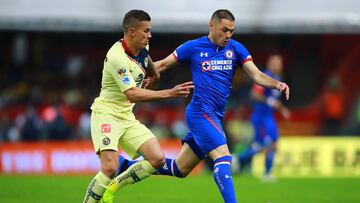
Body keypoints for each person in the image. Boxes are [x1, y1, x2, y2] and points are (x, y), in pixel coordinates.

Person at [106, 9, 289, 203]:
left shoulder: (235, 49)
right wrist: (135, 78)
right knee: (223, 158)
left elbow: (257, 74)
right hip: (200, 114)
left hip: (215, 116)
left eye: (231, 31)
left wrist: (276, 84)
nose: (228, 35)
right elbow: (163, 65)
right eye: (224, 30)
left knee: (179, 168)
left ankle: (124, 165)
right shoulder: (193, 47)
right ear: (212, 25)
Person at [82, 9, 194, 203]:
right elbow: (132, 93)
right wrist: (169, 93)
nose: (149, 35)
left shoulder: (143, 46)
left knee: (157, 158)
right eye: (146, 31)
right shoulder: (117, 57)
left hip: (126, 116)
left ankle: (112, 188)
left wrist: (154, 74)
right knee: (109, 167)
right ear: (132, 31)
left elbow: (146, 59)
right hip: (106, 114)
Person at [236, 54, 290, 181]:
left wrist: (282, 109)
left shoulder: (278, 78)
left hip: (269, 118)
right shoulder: (264, 76)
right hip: (260, 117)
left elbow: (274, 100)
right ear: (269, 64)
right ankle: (240, 160)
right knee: (265, 145)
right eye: (274, 63)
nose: (277, 65)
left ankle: (262, 170)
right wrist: (270, 102)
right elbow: (254, 94)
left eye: (279, 63)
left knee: (271, 145)